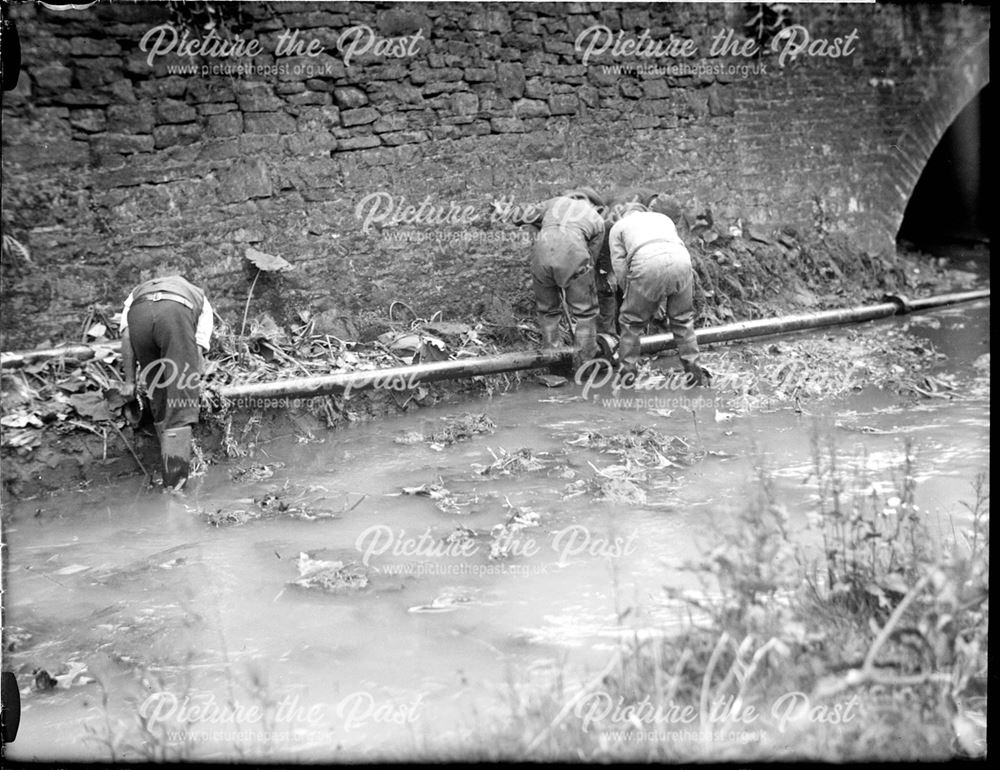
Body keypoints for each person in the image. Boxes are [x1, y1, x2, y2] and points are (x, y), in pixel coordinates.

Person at [118, 275, 213, 488]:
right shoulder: (202, 302)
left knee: (159, 393)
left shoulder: (135, 293)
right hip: (175, 313)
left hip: (138, 313)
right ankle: (176, 488)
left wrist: (130, 382)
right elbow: (196, 353)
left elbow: (127, 338)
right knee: (180, 401)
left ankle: (167, 469)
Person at [607, 203, 707, 385]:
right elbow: (668, 257)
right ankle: (695, 374)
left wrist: (630, 296)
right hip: (682, 261)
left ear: (623, 214)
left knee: (631, 323)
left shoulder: (618, 227)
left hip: (646, 262)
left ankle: (627, 379)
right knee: (683, 321)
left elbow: (620, 269)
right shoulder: (663, 218)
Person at [528, 187, 607, 369]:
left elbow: (525, 216)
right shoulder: (596, 219)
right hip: (574, 254)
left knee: (547, 311)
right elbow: (591, 259)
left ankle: (554, 363)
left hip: (540, 253)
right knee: (585, 313)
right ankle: (585, 363)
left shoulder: (554, 203)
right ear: (593, 205)